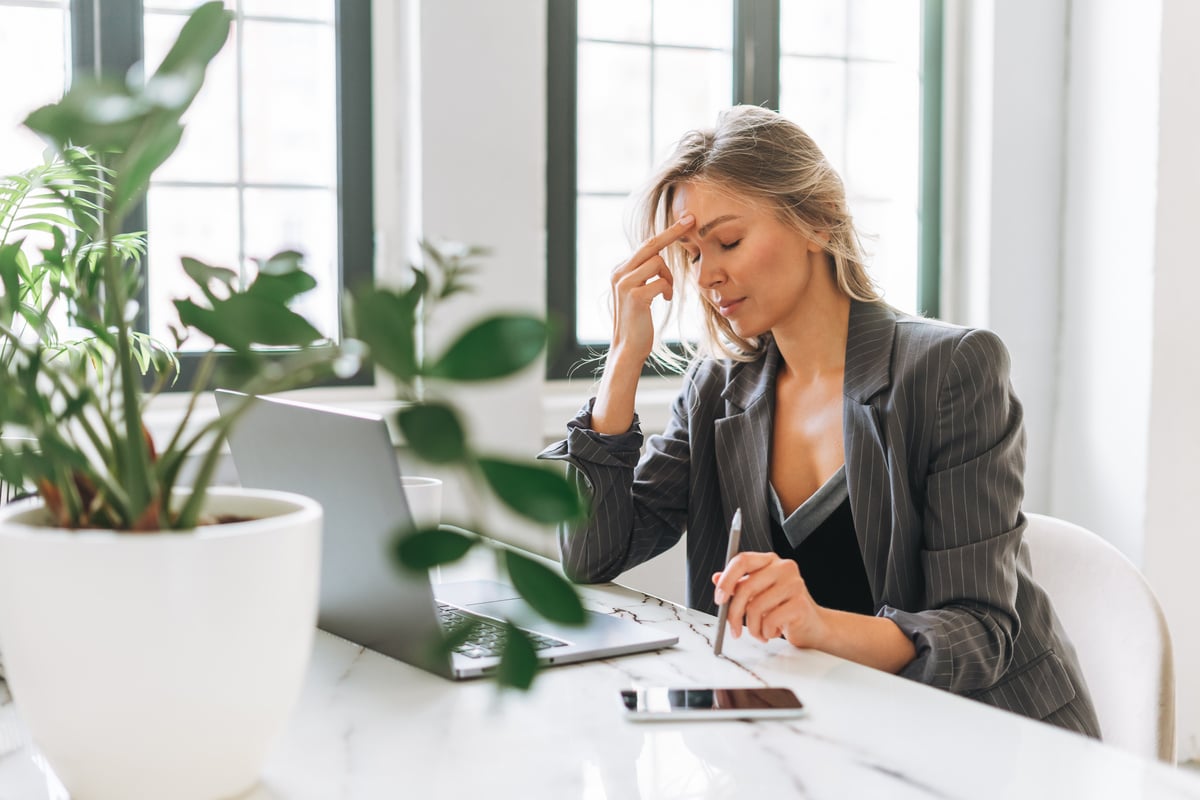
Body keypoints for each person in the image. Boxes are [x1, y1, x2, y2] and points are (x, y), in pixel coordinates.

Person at [539, 105, 1100, 737]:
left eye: (728, 241)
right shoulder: (718, 389)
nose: (709, 275)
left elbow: (979, 633)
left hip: (990, 735)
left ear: (816, 220)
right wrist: (622, 362)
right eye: (692, 257)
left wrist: (818, 623)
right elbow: (591, 558)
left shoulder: (950, 370)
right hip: (827, 727)